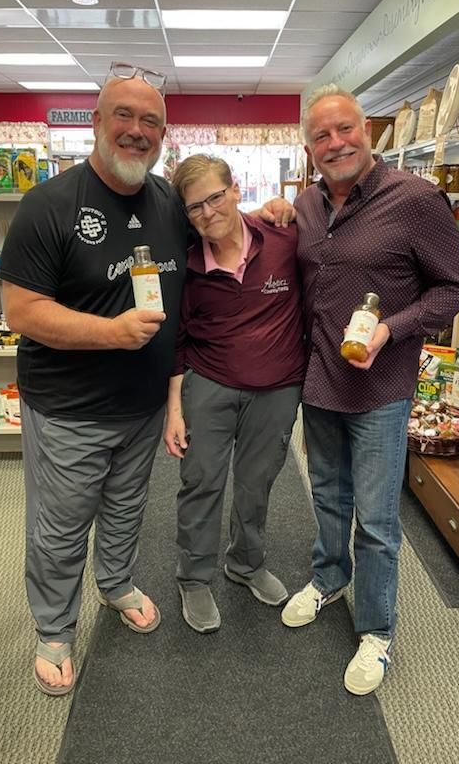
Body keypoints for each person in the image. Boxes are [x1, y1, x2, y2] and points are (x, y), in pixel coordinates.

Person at [0, 64, 293, 696]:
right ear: (97, 123)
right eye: (123, 116)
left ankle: (115, 584)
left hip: (143, 406)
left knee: (127, 509)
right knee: (61, 525)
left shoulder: (166, 202)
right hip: (68, 407)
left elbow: (220, 224)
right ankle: (54, 629)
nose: (136, 130)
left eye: (150, 121)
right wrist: (112, 332)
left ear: (163, 134)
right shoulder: (49, 205)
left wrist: (267, 212)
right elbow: (21, 311)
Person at [280, 85, 459, 695]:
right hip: (321, 381)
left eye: (345, 129)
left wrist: (392, 328)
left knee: (378, 519)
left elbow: (456, 287)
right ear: (309, 149)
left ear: (367, 131)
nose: (335, 143)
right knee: (328, 496)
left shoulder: (414, 199)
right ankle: (328, 577)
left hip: (381, 389)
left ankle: (377, 630)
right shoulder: (306, 205)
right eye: (321, 135)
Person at [164, 154, 304, 633]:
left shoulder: (284, 239)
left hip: (278, 387)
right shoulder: (186, 264)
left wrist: (284, 205)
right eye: (195, 206)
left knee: (256, 481)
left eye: (215, 197)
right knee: (201, 480)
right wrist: (174, 409)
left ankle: (245, 562)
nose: (208, 212)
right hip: (210, 382)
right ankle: (194, 576)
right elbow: (176, 338)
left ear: (236, 190)